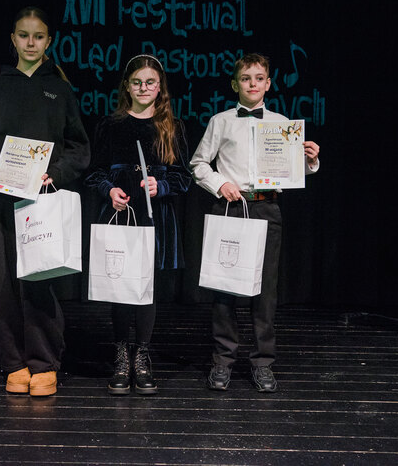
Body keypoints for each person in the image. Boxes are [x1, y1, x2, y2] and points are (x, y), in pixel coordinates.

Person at [0, 7, 90, 397]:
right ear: (13, 40)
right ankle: (13, 363)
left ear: (49, 41)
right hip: (0, 202)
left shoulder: (61, 90)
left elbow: (80, 148)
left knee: (39, 280)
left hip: (42, 200)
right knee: (1, 284)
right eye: (23, 35)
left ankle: (43, 362)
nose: (30, 43)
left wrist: (57, 173)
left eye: (38, 36)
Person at [189, 53, 320, 393]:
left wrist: (309, 161)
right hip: (231, 207)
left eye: (259, 78)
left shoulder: (281, 123)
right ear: (235, 84)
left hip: (267, 208)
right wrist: (221, 183)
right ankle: (223, 360)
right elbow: (199, 163)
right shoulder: (221, 121)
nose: (252, 84)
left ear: (268, 84)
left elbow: (291, 172)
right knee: (225, 286)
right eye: (246, 78)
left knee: (265, 290)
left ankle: (262, 363)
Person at [86, 54, 191, 395]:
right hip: (120, 213)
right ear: (127, 86)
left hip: (154, 216)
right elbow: (94, 172)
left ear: (160, 88)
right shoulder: (110, 125)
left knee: (146, 288)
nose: (143, 88)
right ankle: (121, 354)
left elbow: (184, 177)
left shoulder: (172, 126)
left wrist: (162, 186)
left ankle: (142, 355)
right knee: (120, 285)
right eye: (137, 82)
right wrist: (109, 189)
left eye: (150, 82)